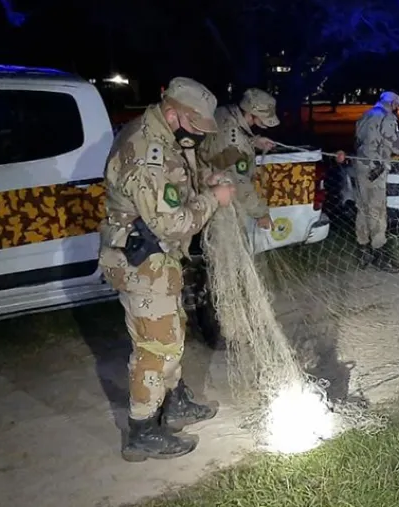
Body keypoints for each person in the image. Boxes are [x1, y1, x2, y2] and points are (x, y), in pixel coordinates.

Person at [98, 77, 236, 462]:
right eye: (193, 125)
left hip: (160, 262)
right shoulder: (146, 150)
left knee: (172, 331)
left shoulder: (161, 136)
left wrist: (202, 184)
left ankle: (174, 402)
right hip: (142, 263)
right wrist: (214, 198)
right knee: (155, 348)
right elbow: (170, 223)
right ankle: (141, 430)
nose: (195, 133)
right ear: (174, 111)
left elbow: (170, 189)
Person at [198, 87, 280, 231]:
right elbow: (239, 182)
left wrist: (254, 141)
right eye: (262, 118)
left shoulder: (225, 112)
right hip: (221, 199)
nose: (265, 124)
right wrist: (261, 213)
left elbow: (229, 137)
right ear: (250, 113)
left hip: (208, 185)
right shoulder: (233, 142)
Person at [350, 91, 399, 272]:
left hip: (360, 167)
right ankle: (380, 254)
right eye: (397, 107)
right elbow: (398, 146)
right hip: (376, 170)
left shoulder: (365, 116)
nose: (397, 110)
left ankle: (363, 250)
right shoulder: (387, 118)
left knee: (362, 208)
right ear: (393, 104)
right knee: (377, 211)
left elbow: (358, 140)